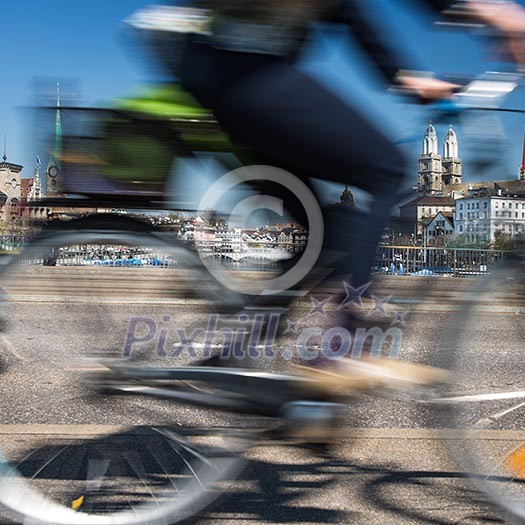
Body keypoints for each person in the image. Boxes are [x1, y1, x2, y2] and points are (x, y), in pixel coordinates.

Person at [159, 0, 525, 330]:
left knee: (323, 231)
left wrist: (402, 76)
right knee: (386, 169)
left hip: (224, 74)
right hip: (243, 68)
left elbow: (347, 13)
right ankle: (349, 320)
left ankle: (241, 353)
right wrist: (488, 10)